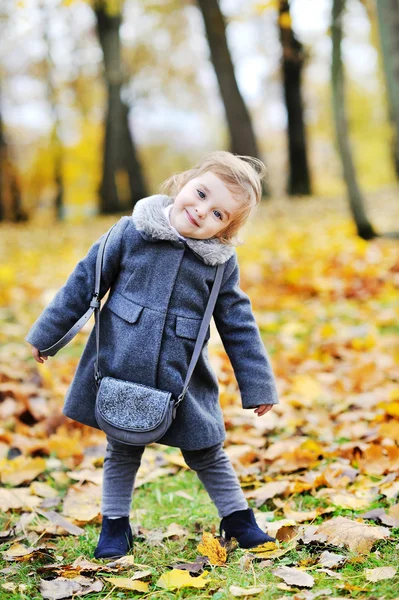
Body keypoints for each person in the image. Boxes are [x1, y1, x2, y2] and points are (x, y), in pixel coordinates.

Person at [26, 151, 279, 559]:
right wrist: (48, 334)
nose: (200, 211)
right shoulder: (130, 233)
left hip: (182, 376)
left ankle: (238, 519)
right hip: (121, 362)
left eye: (218, 213)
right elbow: (83, 281)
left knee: (207, 447)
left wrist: (258, 385)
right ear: (181, 183)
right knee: (122, 445)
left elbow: (238, 323)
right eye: (199, 194)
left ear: (226, 230)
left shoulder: (217, 264)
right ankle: (115, 525)